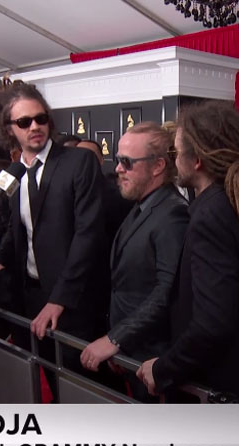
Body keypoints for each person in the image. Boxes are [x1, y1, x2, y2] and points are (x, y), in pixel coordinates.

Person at [136, 101, 239, 403]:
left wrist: (163, 369)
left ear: (197, 159)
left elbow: (212, 325)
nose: (173, 162)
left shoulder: (213, 213)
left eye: (175, 153)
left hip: (223, 389)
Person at [0, 81, 108, 381]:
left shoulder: (78, 162)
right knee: (49, 383)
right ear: (9, 129)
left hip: (73, 301)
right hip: (29, 296)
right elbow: (17, 229)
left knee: (83, 390)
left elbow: (88, 235)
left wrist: (59, 299)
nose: (35, 127)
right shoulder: (14, 173)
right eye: (24, 122)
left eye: (41, 118)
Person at [80, 122, 189, 402]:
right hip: (134, 351)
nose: (117, 169)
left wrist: (115, 339)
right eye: (118, 160)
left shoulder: (172, 216)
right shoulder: (143, 206)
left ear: (157, 166)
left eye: (127, 162)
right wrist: (120, 342)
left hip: (153, 359)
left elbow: (168, 292)